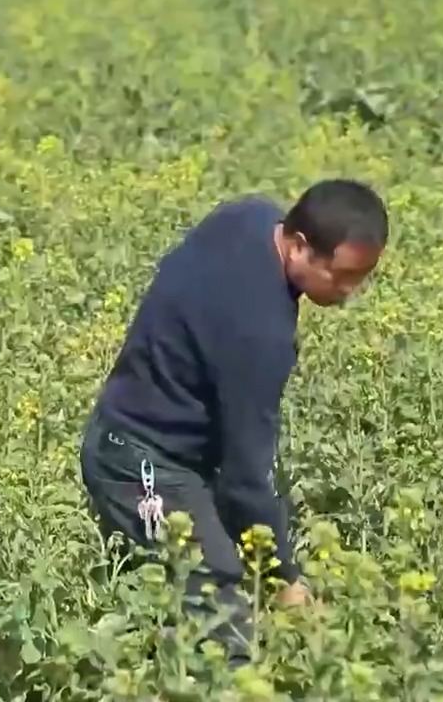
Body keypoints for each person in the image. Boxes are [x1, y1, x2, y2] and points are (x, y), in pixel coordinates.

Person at [78, 179, 389, 668]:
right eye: (343, 275)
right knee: (218, 613)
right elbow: (246, 477)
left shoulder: (250, 216)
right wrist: (285, 581)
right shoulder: (260, 334)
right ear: (300, 245)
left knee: (205, 579)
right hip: (136, 458)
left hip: (173, 444)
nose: (350, 292)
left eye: (362, 278)